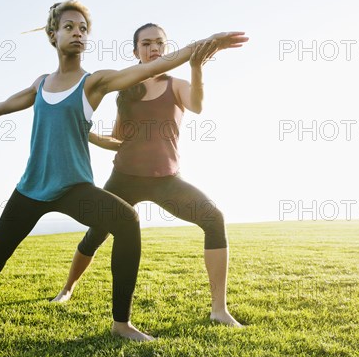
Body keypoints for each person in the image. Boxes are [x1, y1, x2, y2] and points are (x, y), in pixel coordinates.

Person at [0, 0, 248, 342]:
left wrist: (207, 43)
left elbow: (167, 65)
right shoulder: (41, 84)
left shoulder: (95, 83)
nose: (78, 33)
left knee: (127, 222)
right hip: (32, 187)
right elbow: (5, 104)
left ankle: (122, 323)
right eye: (69, 27)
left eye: (83, 29)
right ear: (53, 35)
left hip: (76, 187)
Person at [52, 23, 242, 327]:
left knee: (214, 219)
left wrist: (196, 67)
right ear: (135, 51)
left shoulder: (176, 84)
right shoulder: (125, 90)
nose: (154, 48)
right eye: (147, 44)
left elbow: (197, 106)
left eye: (159, 43)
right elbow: (118, 139)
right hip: (124, 177)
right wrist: (86, 134)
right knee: (96, 233)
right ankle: (67, 289)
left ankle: (219, 309)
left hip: (166, 179)